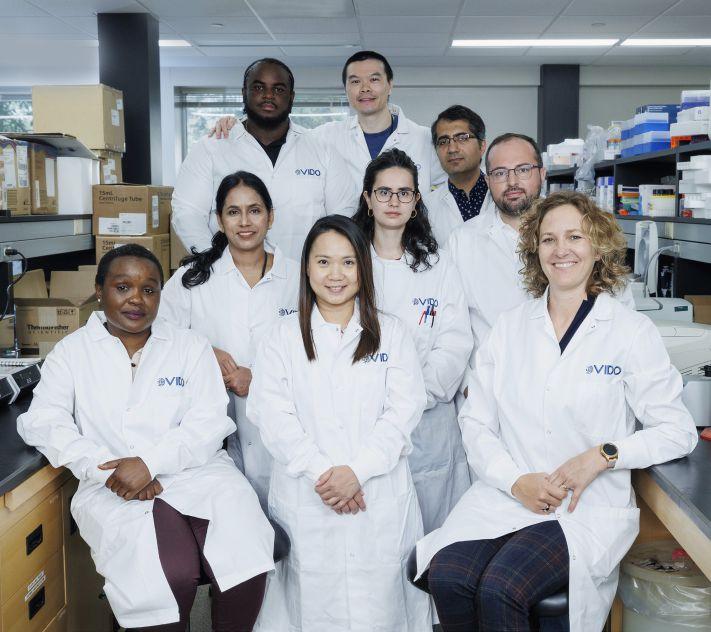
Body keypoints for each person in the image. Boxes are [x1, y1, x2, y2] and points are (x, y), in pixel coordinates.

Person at [415, 191, 698, 632]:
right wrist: (516, 480)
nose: (561, 249)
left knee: (501, 587)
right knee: (448, 576)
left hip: (585, 507)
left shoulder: (629, 331)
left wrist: (602, 456)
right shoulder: (509, 327)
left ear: (598, 247)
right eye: (548, 239)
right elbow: (476, 421)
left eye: (574, 237)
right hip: (508, 495)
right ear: (535, 251)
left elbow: (677, 431)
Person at [17, 245, 275, 632]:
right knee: (169, 578)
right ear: (99, 290)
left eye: (149, 289)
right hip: (115, 487)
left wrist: (150, 463)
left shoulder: (189, 346)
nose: (136, 299)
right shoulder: (72, 353)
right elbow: (42, 421)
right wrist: (105, 469)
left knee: (247, 557)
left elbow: (209, 422)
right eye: (123, 287)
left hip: (199, 474)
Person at [247, 215, 431, 631]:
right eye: (324, 262)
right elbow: (272, 416)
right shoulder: (281, 337)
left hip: (375, 493)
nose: (336, 275)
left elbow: (403, 413)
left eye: (348, 262)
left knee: (381, 609)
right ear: (306, 268)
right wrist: (327, 476)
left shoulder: (392, 334)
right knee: (311, 607)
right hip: (311, 494)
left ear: (363, 267)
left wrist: (357, 472)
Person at [159, 171, 298, 509]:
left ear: (271, 216)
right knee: (228, 519)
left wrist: (258, 378)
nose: (245, 222)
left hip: (286, 432)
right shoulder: (192, 278)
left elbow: (319, 351)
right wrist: (204, 351)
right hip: (211, 437)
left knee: (285, 521)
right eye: (233, 212)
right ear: (220, 221)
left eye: (255, 210)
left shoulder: (299, 276)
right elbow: (158, 339)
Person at [352, 148, 472, 535]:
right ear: (368, 199)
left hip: (428, 423)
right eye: (383, 192)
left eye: (404, 193)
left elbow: (454, 343)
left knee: (433, 537)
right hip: (364, 421)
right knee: (374, 537)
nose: (394, 201)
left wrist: (412, 397)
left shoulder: (438, 265)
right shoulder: (347, 262)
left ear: (416, 200)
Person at [172, 57, 355, 261]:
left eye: (278, 89)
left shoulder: (322, 150)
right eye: (259, 87)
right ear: (244, 93)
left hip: (305, 275)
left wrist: (325, 265)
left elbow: (343, 216)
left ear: (291, 97)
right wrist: (215, 264)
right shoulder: (210, 148)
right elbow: (187, 213)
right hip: (230, 275)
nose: (268, 95)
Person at [211, 51, 446, 202]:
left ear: (390, 85)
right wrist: (237, 124)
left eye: (374, 79)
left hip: (409, 249)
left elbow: (448, 190)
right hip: (346, 252)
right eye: (355, 81)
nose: (365, 88)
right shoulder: (325, 137)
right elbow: (279, 131)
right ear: (346, 89)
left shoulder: (424, 139)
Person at [423, 105, 495, 245]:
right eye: (443, 141)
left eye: (462, 138)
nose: (452, 149)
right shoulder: (426, 208)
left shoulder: (503, 195)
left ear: (482, 146)